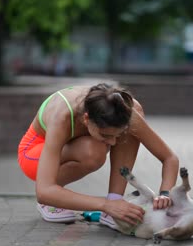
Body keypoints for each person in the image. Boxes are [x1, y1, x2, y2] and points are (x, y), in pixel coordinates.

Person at [18, 83, 179, 229]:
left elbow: (169, 158)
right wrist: (104, 205)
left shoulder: (125, 108)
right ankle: (54, 201)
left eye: (117, 135)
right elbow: (43, 191)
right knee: (93, 151)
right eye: (106, 135)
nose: (113, 143)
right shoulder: (62, 116)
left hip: (72, 147)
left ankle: (115, 198)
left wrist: (165, 194)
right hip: (34, 154)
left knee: (130, 128)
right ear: (87, 119)